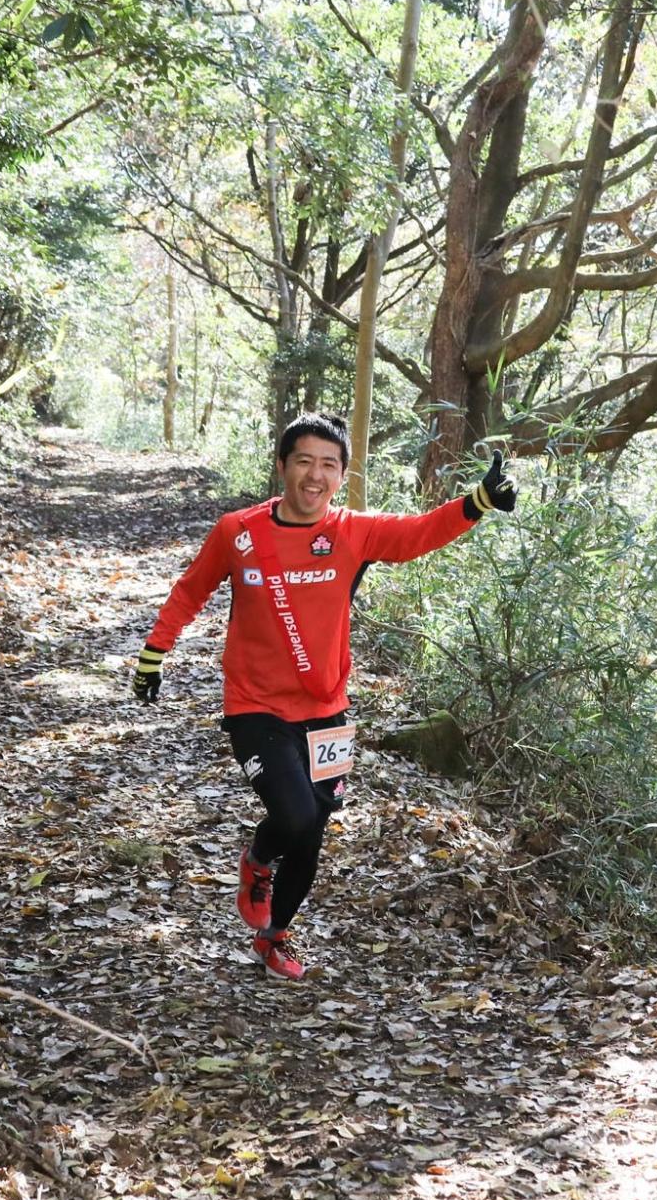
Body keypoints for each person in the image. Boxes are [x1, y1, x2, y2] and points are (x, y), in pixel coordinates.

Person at [131, 413, 517, 979]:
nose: (315, 476)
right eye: (305, 462)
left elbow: (415, 535)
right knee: (293, 813)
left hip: (326, 708)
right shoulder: (237, 531)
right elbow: (191, 590)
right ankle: (258, 861)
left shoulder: (351, 531)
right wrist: (153, 653)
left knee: (313, 827)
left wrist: (476, 502)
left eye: (329, 465)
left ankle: (274, 936)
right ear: (283, 466)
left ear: (342, 475)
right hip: (254, 705)